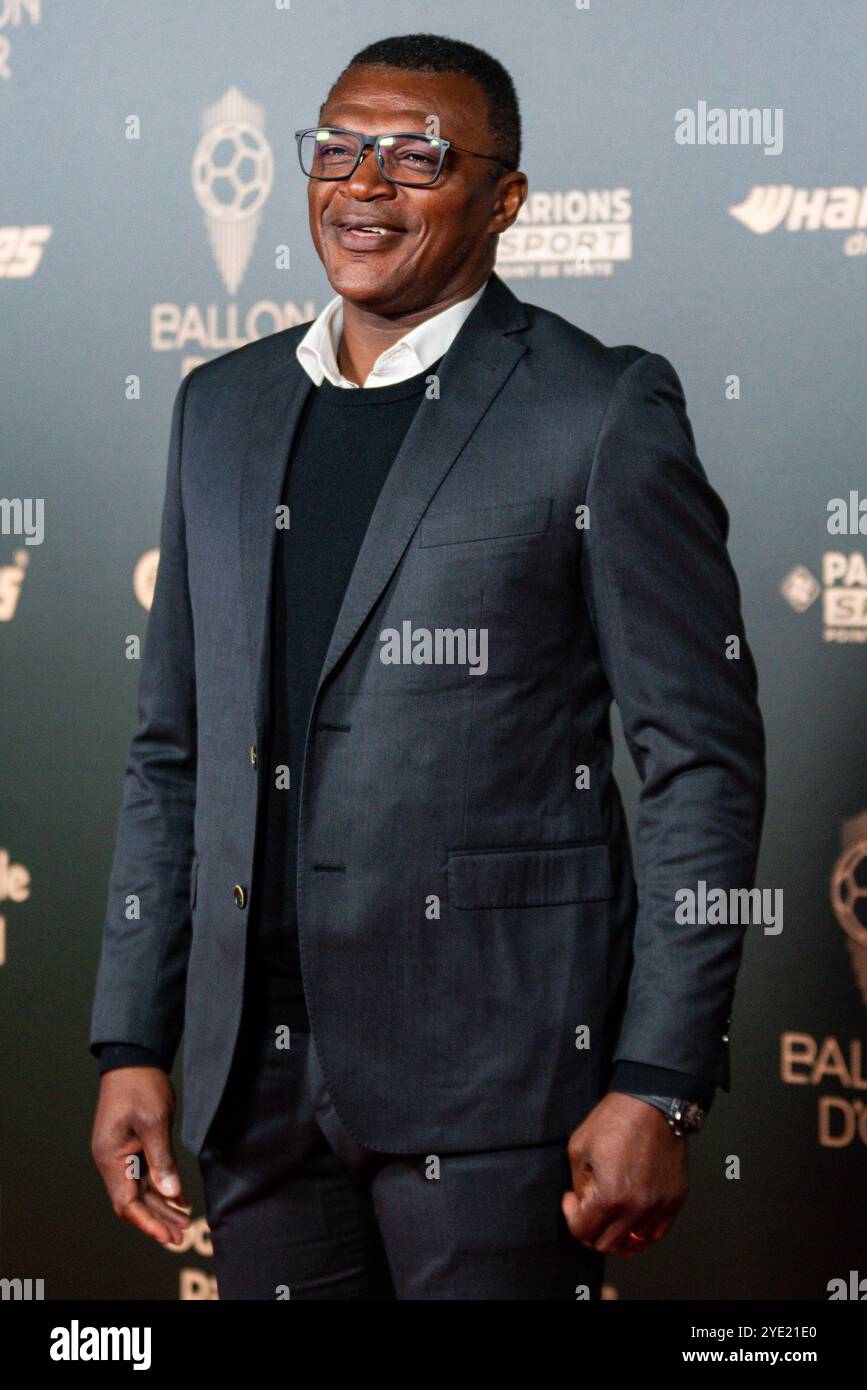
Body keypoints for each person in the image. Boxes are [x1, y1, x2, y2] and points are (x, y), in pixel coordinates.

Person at [90, 32, 766, 1300]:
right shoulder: (219, 410)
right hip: (253, 1081)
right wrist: (134, 1036)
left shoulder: (598, 411)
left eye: (418, 156)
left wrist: (660, 1081)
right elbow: (172, 750)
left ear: (504, 199)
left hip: (504, 1085)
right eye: (338, 147)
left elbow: (702, 766)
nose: (364, 184)